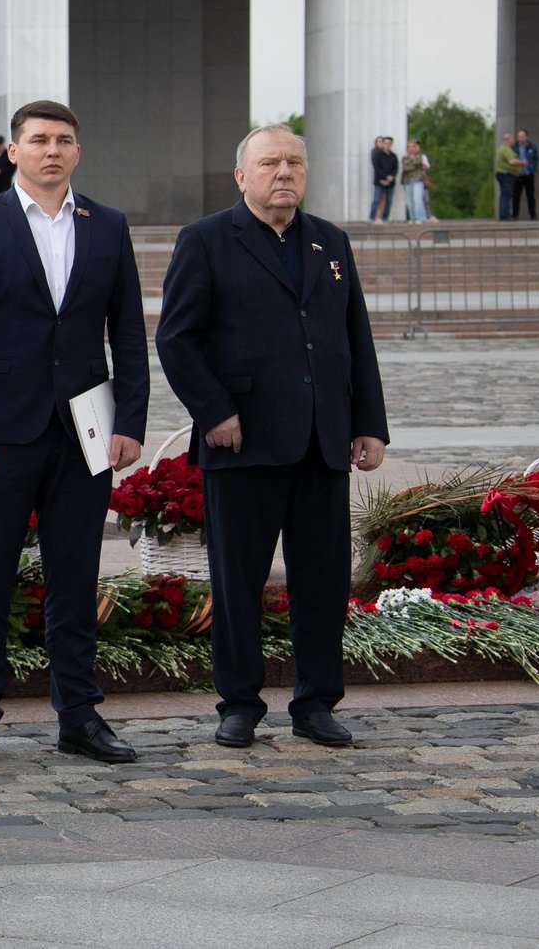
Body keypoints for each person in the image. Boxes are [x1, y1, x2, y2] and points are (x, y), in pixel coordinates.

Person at [155, 123, 388, 750]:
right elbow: (176, 340)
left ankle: (316, 702)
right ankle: (238, 702)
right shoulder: (205, 241)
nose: (283, 173)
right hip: (242, 441)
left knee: (323, 580)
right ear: (242, 176)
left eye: (294, 162)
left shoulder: (330, 242)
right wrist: (215, 411)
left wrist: (368, 423)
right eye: (269, 163)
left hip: (321, 442)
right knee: (238, 582)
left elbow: (354, 340)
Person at [0, 100, 150, 768]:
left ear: (77, 151)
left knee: (76, 576)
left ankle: (79, 716)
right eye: (38, 140)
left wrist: (132, 424)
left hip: (85, 432)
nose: (51, 150)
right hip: (2, 434)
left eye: (62, 140)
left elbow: (130, 335)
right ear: (14, 151)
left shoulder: (108, 227)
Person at [401, 139, 432, 224]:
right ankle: (413, 218)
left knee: (417, 199)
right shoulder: (405, 157)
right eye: (410, 147)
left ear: (416, 147)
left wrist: (416, 165)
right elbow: (406, 168)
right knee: (409, 201)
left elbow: (426, 167)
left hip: (418, 180)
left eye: (413, 146)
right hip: (407, 181)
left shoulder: (422, 156)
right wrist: (417, 165)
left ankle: (421, 218)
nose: (411, 148)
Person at [368, 136, 397, 223]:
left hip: (390, 182)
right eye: (386, 143)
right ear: (383, 143)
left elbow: (395, 168)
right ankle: (372, 218)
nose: (388, 145)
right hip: (379, 181)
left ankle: (385, 218)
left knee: (389, 201)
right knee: (376, 199)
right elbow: (377, 167)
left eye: (389, 143)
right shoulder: (377, 154)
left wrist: (391, 177)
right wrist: (385, 177)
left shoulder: (393, 156)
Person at [495, 132, 523, 220]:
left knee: (504, 194)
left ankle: (503, 215)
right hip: (506, 174)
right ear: (508, 140)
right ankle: (505, 215)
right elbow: (512, 161)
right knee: (507, 194)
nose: (513, 141)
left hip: (503, 174)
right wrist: (522, 162)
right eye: (511, 139)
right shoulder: (506, 149)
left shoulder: (501, 149)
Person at [514, 128, 539, 221]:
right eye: (519, 136)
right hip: (518, 174)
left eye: (522, 136)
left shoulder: (532, 147)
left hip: (528, 174)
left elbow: (536, 160)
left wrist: (532, 168)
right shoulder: (514, 147)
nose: (520, 138)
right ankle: (515, 215)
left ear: (526, 137)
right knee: (516, 195)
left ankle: (533, 215)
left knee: (530, 196)